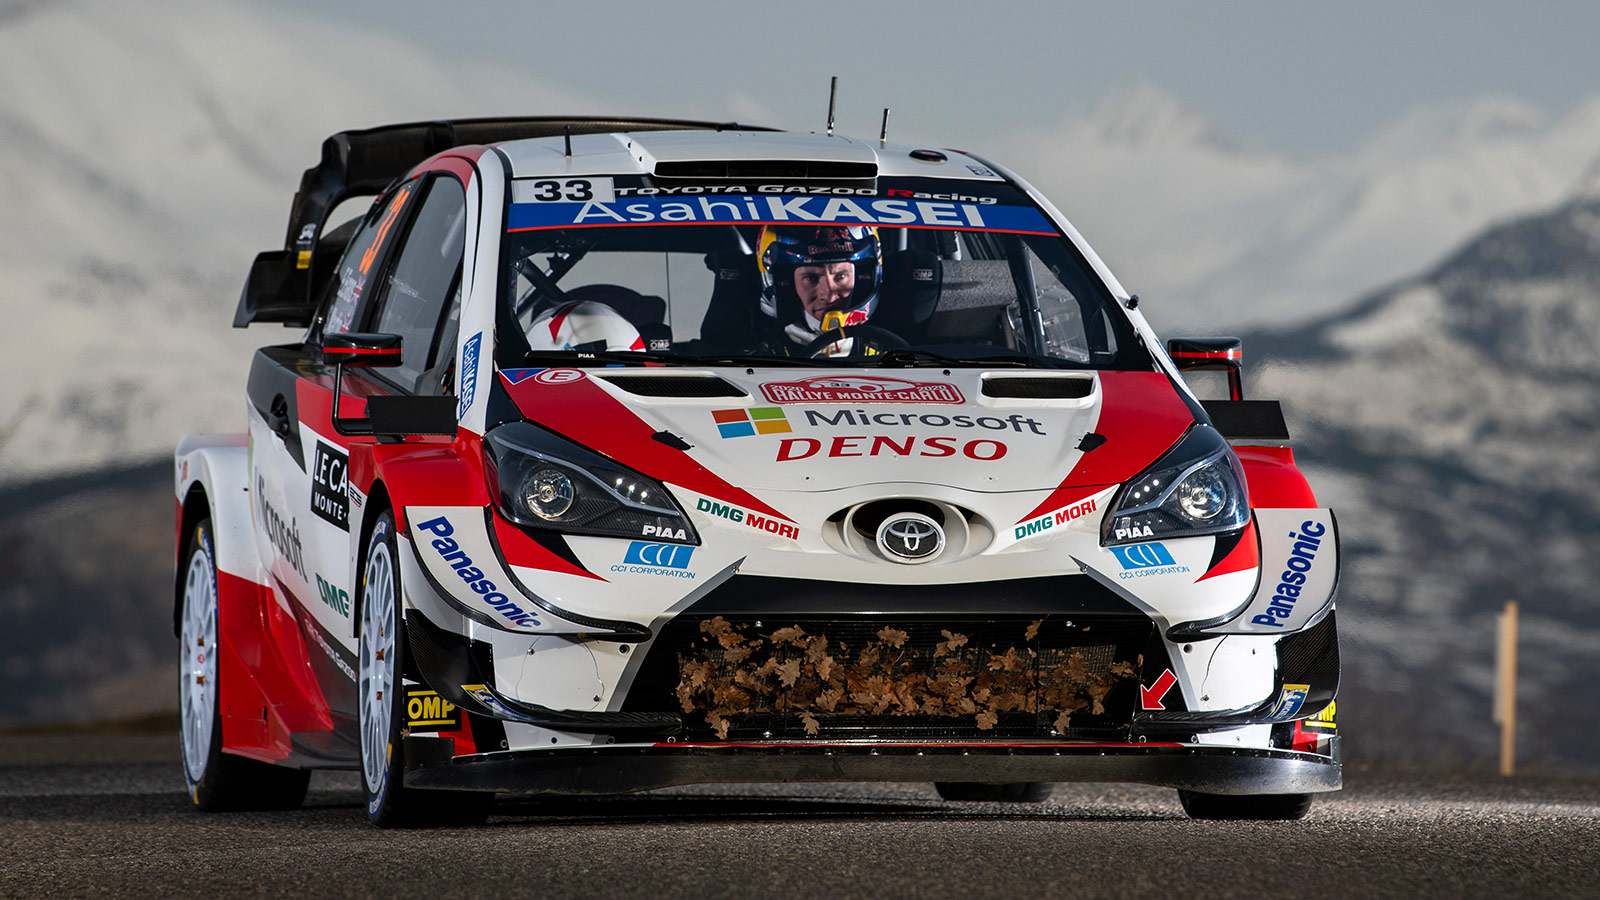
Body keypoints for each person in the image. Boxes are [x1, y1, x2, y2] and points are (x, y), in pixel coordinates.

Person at [757, 224, 880, 355]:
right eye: (811, 278)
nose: (829, 296)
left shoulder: (886, 345)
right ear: (784, 283)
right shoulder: (755, 349)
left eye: (841, 276)